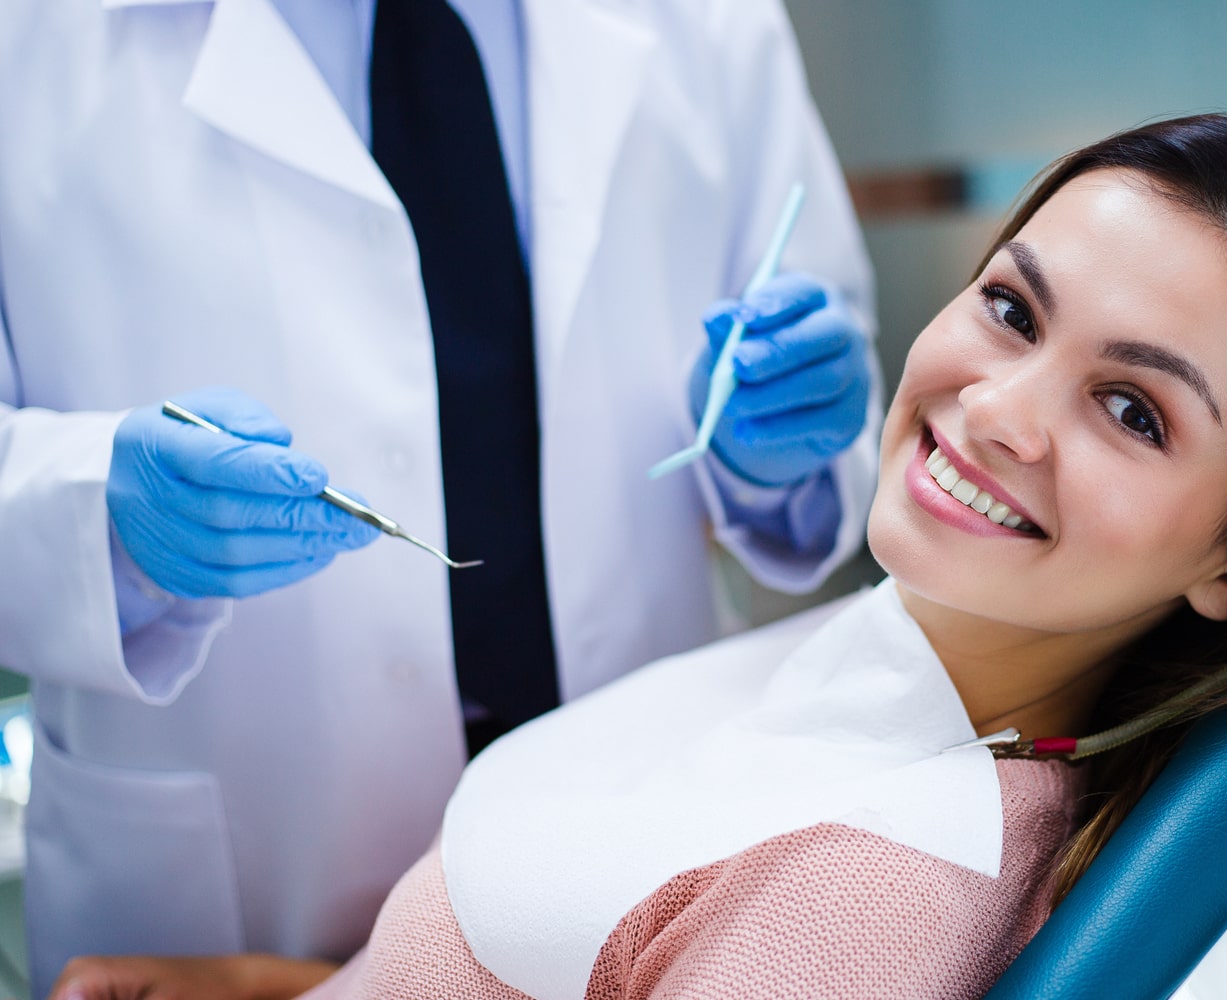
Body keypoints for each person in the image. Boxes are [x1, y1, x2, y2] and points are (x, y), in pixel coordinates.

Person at [49, 113, 1227, 1000]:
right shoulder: (880, 662)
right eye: (1013, 311)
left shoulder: (873, 890)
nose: (997, 410)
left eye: (1132, 409)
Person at [0, 0, 877, 993]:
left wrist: (785, 448)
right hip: (234, 878)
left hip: (636, 821)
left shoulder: (708, 24)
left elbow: (811, 317)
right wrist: (97, 519)